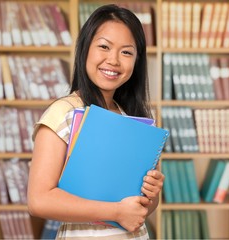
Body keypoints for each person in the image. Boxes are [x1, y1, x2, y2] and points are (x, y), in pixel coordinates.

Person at [27, 4, 164, 239]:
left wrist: (151, 194)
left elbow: (143, 209)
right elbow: (39, 200)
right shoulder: (64, 112)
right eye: (104, 46)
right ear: (85, 49)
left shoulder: (136, 120)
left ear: (137, 61)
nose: (113, 60)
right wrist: (116, 211)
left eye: (126, 52)